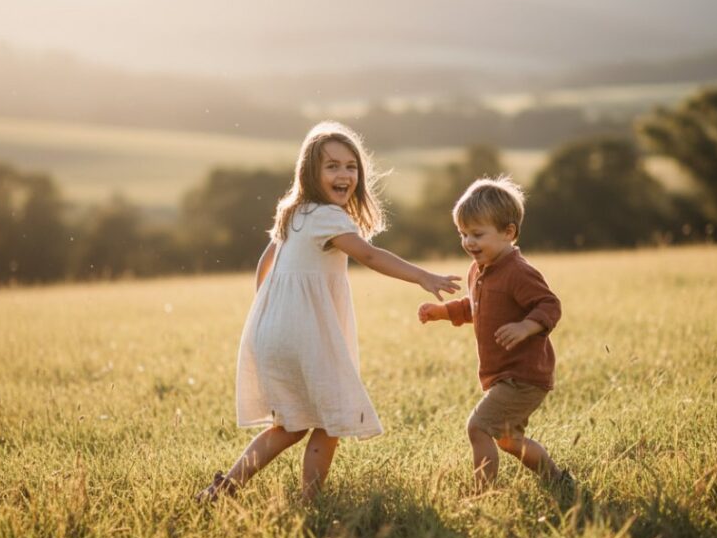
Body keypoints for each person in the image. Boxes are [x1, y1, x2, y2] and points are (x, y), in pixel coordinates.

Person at [196, 121, 461, 503]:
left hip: (273, 330)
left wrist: (267, 309)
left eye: (351, 166)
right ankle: (310, 500)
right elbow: (369, 254)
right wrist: (422, 276)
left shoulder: (294, 212)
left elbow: (265, 262)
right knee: (329, 419)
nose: (344, 174)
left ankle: (222, 488)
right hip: (305, 335)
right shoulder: (329, 218)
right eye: (332, 166)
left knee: (288, 426)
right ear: (310, 172)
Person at [417, 176, 574, 497]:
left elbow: (549, 304)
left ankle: (482, 495)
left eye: (477, 234)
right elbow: (475, 306)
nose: (468, 242)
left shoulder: (518, 271)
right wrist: (442, 312)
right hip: (503, 374)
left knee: (478, 428)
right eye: (463, 234)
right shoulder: (480, 268)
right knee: (509, 441)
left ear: (508, 232)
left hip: (524, 375)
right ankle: (558, 480)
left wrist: (526, 327)